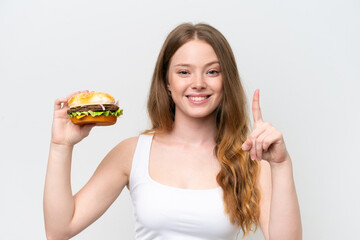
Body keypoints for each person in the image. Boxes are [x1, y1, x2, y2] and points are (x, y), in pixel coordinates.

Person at [44, 23, 302, 240]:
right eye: (184, 72)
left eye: (212, 71)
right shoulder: (132, 153)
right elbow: (59, 229)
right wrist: (60, 146)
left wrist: (281, 164)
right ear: (167, 82)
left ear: (226, 81)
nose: (198, 83)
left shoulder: (253, 159)